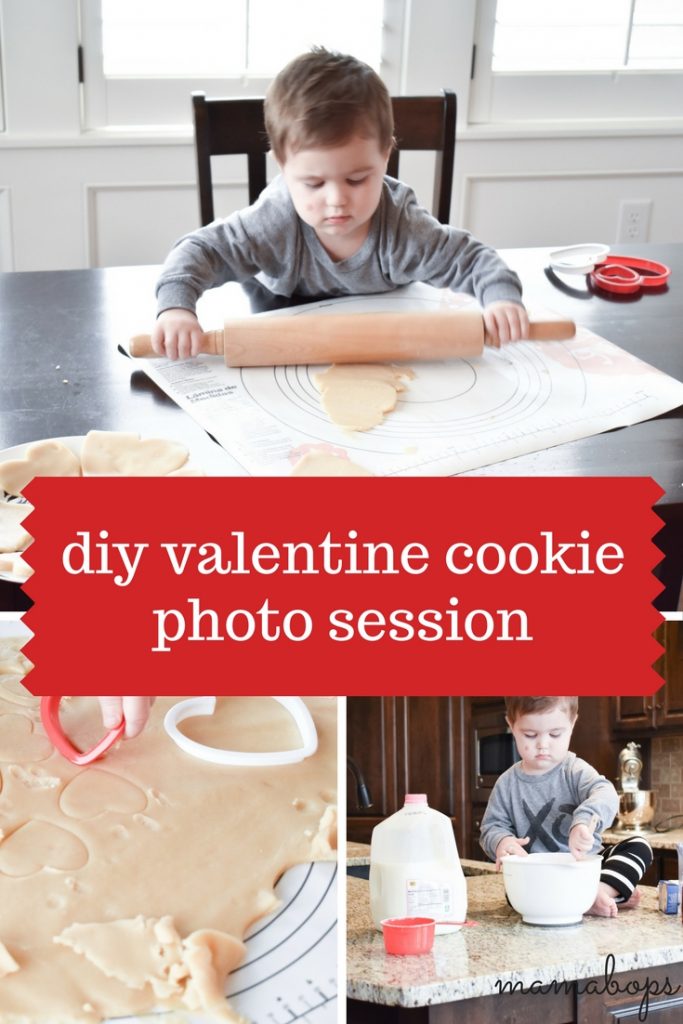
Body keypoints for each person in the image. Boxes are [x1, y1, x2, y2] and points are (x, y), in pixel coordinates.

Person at [152, 47, 529, 361]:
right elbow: (200, 249)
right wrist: (176, 307)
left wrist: (501, 298)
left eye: (357, 179)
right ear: (283, 167)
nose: (336, 200)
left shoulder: (401, 229)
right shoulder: (274, 223)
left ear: (386, 154)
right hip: (279, 332)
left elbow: (469, 258)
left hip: (382, 338)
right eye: (313, 183)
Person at [479, 696, 653, 918]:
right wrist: (502, 841)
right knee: (514, 894)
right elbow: (491, 827)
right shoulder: (506, 783)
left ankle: (597, 892)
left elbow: (606, 793)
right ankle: (607, 894)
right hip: (538, 877)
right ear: (512, 726)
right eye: (530, 735)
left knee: (639, 846)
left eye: (555, 734)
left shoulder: (574, 770)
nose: (543, 744)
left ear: (572, 724)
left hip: (584, 870)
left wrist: (582, 822)